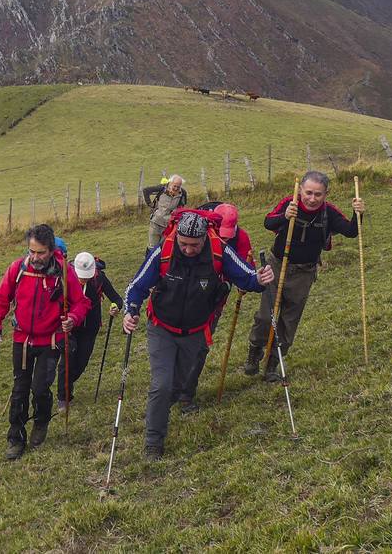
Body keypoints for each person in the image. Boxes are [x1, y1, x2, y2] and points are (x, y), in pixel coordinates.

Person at [123, 210, 275, 459]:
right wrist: (130, 311)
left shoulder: (219, 251)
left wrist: (259, 279)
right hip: (161, 327)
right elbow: (136, 286)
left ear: (205, 238)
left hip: (195, 331)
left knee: (179, 384)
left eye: (194, 245)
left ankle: (168, 403)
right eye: (183, 244)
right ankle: (153, 442)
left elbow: (246, 278)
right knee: (161, 385)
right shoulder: (165, 250)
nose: (188, 249)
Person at [245, 171, 364, 381]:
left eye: (318, 194)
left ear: (325, 194)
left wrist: (358, 214)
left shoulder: (329, 213)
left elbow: (351, 231)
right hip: (277, 265)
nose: (312, 198)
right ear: (301, 190)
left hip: (304, 272)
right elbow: (268, 223)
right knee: (266, 315)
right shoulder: (289, 204)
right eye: (308, 193)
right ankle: (255, 349)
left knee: (289, 321)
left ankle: (273, 364)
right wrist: (285, 216)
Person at [0, 224, 90, 460]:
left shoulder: (64, 271)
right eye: (31, 251)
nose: (35, 257)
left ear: (51, 249)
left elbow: (81, 303)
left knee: (40, 389)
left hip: (51, 341)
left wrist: (73, 319)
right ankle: (15, 438)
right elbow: (0, 299)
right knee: (19, 390)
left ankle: (41, 422)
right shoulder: (17, 269)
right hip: (22, 340)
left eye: (40, 252)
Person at [172, 202, 255, 410]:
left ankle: (186, 396)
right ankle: (169, 389)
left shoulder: (241, 238)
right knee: (174, 346)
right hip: (182, 299)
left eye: (229, 234)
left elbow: (247, 271)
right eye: (221, 234)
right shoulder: (198, 237)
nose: (224, 239)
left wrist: (246, 281)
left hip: (214, 303)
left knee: (199, 348)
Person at [55, 251, 124, 410]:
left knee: (80, 364)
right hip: (69, 326)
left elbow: (117, 299)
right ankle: (63, 397)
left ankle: (66, 384)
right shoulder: (65, 277)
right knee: (67, 360)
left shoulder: (99, 278)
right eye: (81, 276)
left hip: (90, 328)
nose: (83, 279)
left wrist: (115, 307)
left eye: (86, 276)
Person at [142, 175, 187, 248]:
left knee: (163, 246)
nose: (176, 188)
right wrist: (150, 204)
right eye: (174, 186)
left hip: (168, 225)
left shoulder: (183, 193)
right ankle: (148, 258)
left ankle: (161, 259)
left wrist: (176, 215)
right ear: (171, 183)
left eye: (178, 187)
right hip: (155, 223)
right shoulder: (161, 188)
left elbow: (182, 206)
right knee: (152, 247)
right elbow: (146, 190)